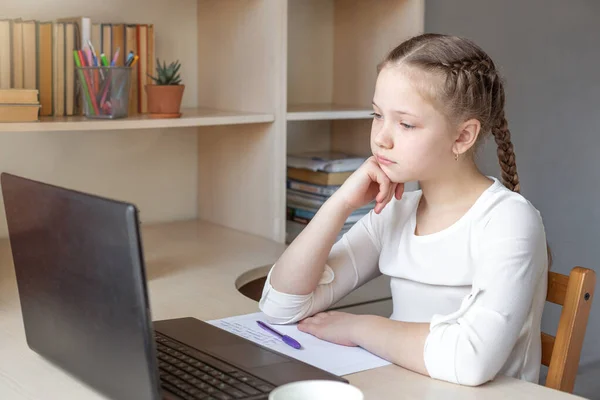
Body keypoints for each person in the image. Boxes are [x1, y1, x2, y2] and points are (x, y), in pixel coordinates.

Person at [258, 33, 549, 387]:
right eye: (377, 115)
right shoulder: (397, 211)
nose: (382, 137)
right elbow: (281, 306)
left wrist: (358, 326)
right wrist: (340, 203)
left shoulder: (508, 221)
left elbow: (471, 360)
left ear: (462, 137)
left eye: (405, 123)